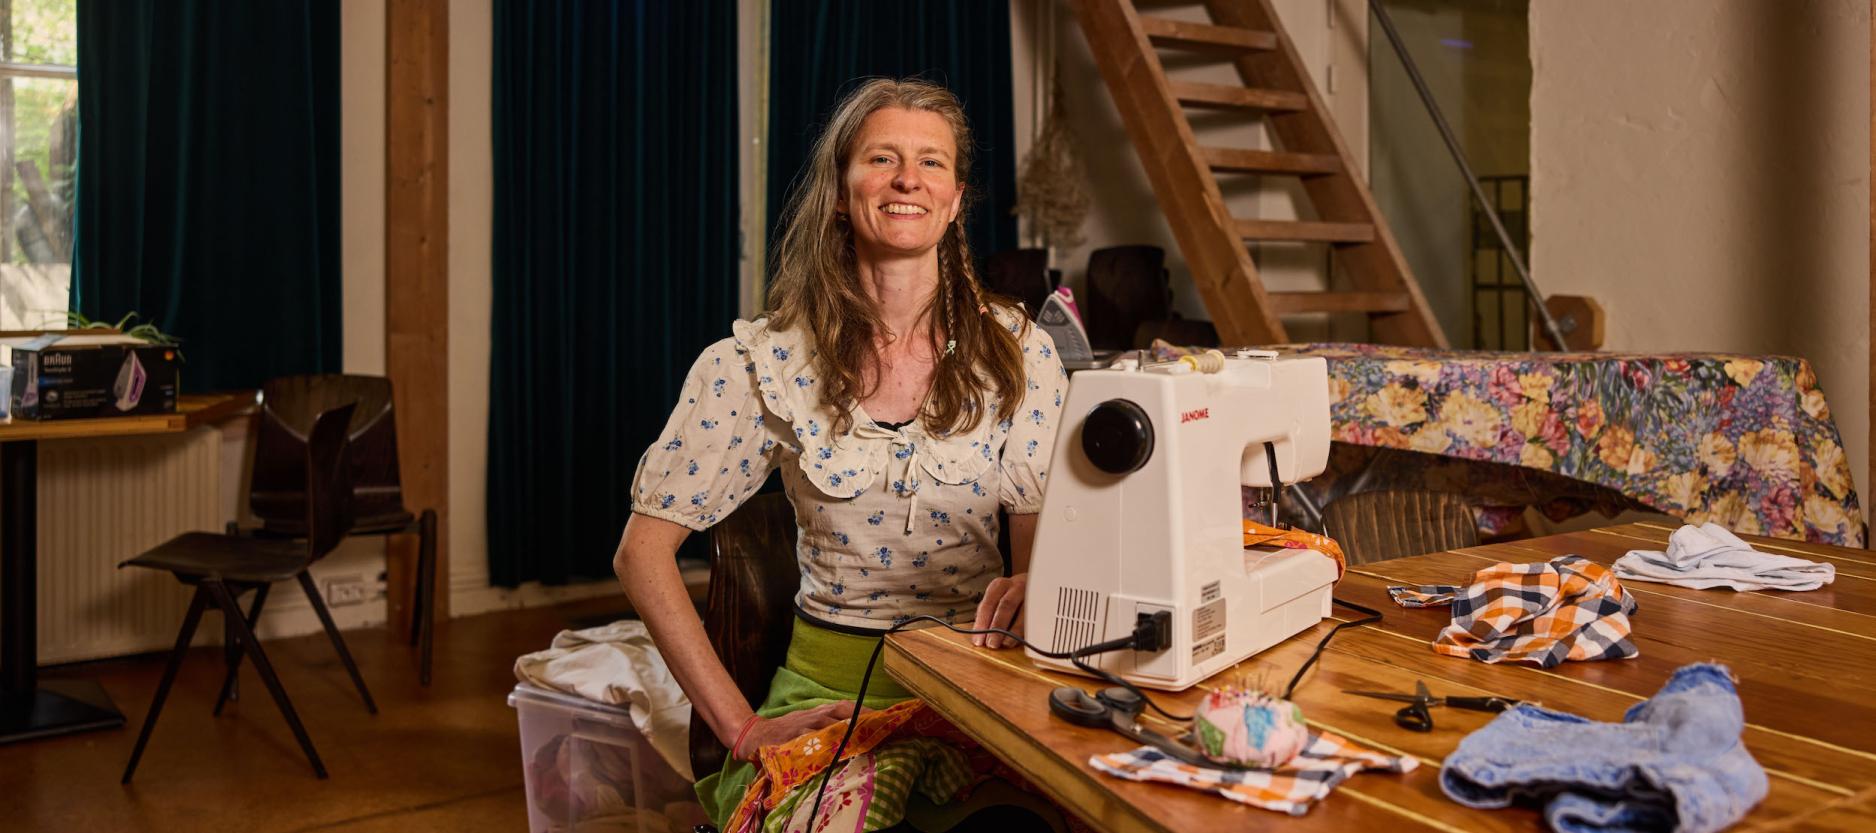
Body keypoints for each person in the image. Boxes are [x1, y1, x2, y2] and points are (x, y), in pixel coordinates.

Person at [613, 78, 1068, 830]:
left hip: (983, 688)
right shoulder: (759, 363)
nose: (906, 179)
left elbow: (1031, 560)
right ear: (838, 191)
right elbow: (641, 554)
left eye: (930, 162)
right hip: (834, 695)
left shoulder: (1019, 354)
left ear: (955, 200)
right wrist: (741, 726)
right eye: (881, 158)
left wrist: (1035, 587)